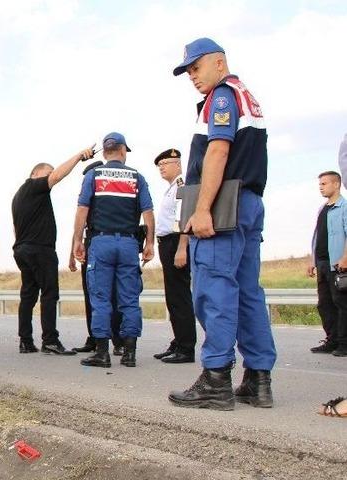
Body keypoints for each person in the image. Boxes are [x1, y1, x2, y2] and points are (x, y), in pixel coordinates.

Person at [168, 38, 276, 410]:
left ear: (219, 62)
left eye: (196, 68)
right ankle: (258, 380)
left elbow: (218, 149)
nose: (192, 77)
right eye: (188, 72)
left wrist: (203, 209)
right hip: (248, 202)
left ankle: (216, 378)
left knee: (214, 291)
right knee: (247, 293)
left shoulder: (223, 96)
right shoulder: (247, 95)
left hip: (223, 208)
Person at [73, 132, 155, 368]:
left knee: (100, 299)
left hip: (101, 242)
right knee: (129, 299)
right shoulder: (136, 177)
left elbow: (82, 210)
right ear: (122, 151)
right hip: (129, 244)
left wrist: (78, 241)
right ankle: (129, 353)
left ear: (106, 152)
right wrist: (149, 243)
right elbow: (148, 213)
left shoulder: (93, 175)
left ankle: (102, 353)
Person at [12, 144, 96, 355]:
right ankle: (50, 340)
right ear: (35, 174)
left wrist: (23, 245)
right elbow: (58, 175)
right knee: (49, 294)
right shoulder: (33, 187)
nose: (50, 177)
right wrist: (78, 156)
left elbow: (15, 227)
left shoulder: (18, 196)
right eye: (46, 174)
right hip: (40, 250)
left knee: (28, 295)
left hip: (23, 248)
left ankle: (25, 341)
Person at [69, 161, 124, 355]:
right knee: (91, 295)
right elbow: (79, 225)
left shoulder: (109, 195)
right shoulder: (88, 197)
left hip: (107, 245)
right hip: (89, 245)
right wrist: (72, 254)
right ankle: (94, 337)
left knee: (113, 296)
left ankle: (119, 340)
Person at [152, 148, 196, 364]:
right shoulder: (170, 189)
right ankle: (179, 341)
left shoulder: (181, 186)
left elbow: (184, 218)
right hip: (167, 244)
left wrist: (181, 248)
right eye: (159, 165)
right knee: (173, 296)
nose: (162, 167)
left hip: (176, 243)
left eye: (166, 163)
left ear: (178, 164)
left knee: (179, 296)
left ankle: (186, 347)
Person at [308, 171, 347, 356]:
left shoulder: (344, 207)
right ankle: (331, 341)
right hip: (322, 263)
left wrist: (345, 258)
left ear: (337, 184)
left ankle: (344, 343)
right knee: (324, 304)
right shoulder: (322, 208)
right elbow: (317, 237)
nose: (321, 187)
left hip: (338, 264)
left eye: (324, 183)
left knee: (341, 303)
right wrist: (312, 260)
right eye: (320, 184)